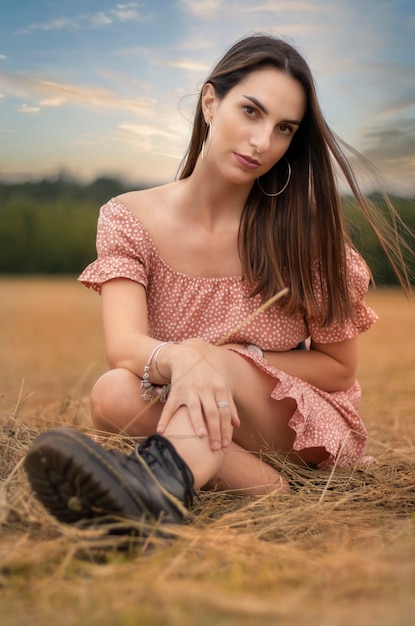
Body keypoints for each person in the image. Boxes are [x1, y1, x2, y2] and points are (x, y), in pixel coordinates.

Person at [24, 34, 412, 530]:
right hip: (197, 415)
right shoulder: (128, 218)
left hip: (296, 427)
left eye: (284, 128)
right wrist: (184, 358)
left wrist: (226, 362)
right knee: (112, 393)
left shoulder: (305, 233)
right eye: (251, 112)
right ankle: (262, 486)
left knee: (206, 362)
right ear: (211, 102)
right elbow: (123, 347)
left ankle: (156, 487)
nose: (262, 142)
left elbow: (338, 370)